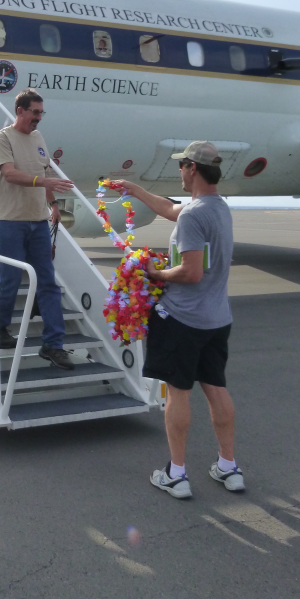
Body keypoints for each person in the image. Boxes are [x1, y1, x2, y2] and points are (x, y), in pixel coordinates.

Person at [115, 140, 244, 499]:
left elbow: (189, 273)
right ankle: (229, 467)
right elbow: (173, 211)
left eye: (181, 167)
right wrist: (136, 190)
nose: (180, 173)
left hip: (183, 319)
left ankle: (176, 473)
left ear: (192, 168)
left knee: (178, 393)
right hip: (217, 318)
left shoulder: (194, 214)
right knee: (216, 389)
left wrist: (156, 274)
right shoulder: (217, 208)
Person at [0, 89, 75, 366]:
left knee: (48, 283)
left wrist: (54, 205)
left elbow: (45, 172)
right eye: (34, 112)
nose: (38, 118)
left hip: (37, 222)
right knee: (9, 279)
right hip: (9, 221)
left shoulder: (38, 139)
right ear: (20, 111)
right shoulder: (2, 138)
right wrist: (44, 183)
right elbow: (10, 174)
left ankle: (53, 344)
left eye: (41, 113)